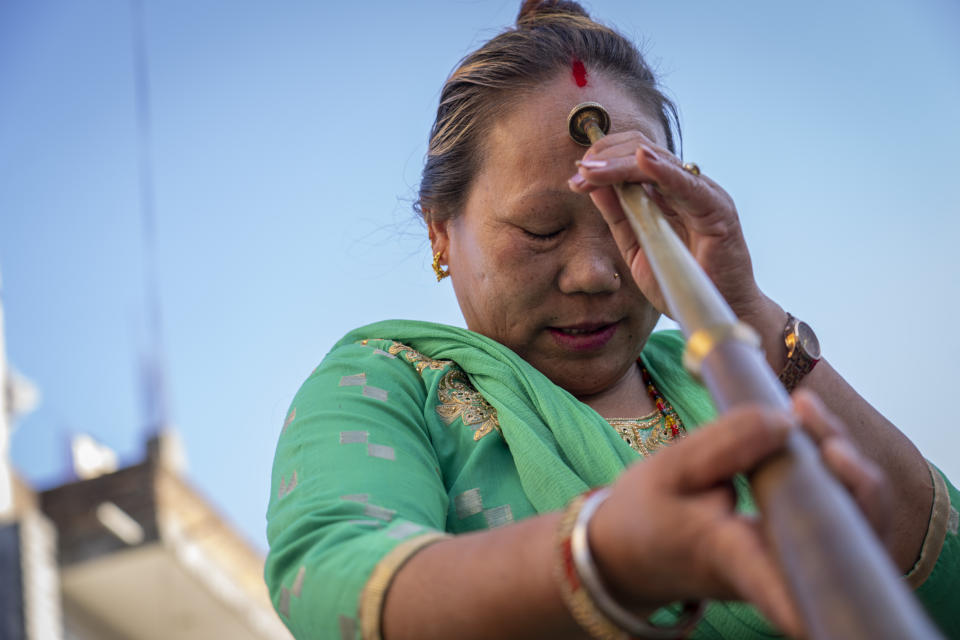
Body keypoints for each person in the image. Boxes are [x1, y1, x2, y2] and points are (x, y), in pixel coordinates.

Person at [265, 2, 959, 638]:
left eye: (632, 222)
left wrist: (741, 309)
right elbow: (334, 583)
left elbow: (946, 580)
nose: (595, 274)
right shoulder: (392, 383)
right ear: (441, 231)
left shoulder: (729, 378)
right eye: (540, 230)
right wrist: (603, 557)